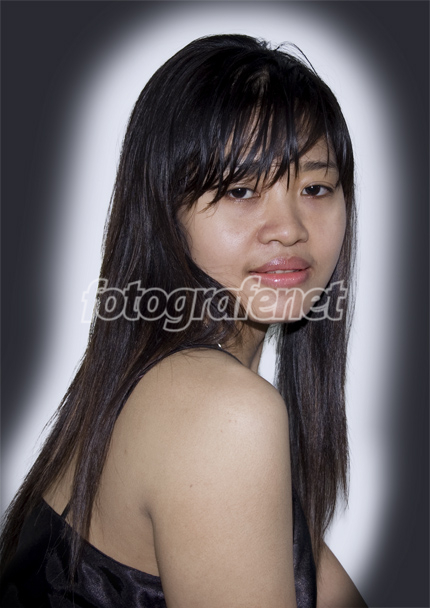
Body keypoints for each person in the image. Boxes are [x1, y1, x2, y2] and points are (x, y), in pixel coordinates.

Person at [0, 34, 367, 607]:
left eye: (315, 187)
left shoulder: (153, 382)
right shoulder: (220, 413)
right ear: (163, 210)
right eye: (241, 189)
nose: (290, 228)